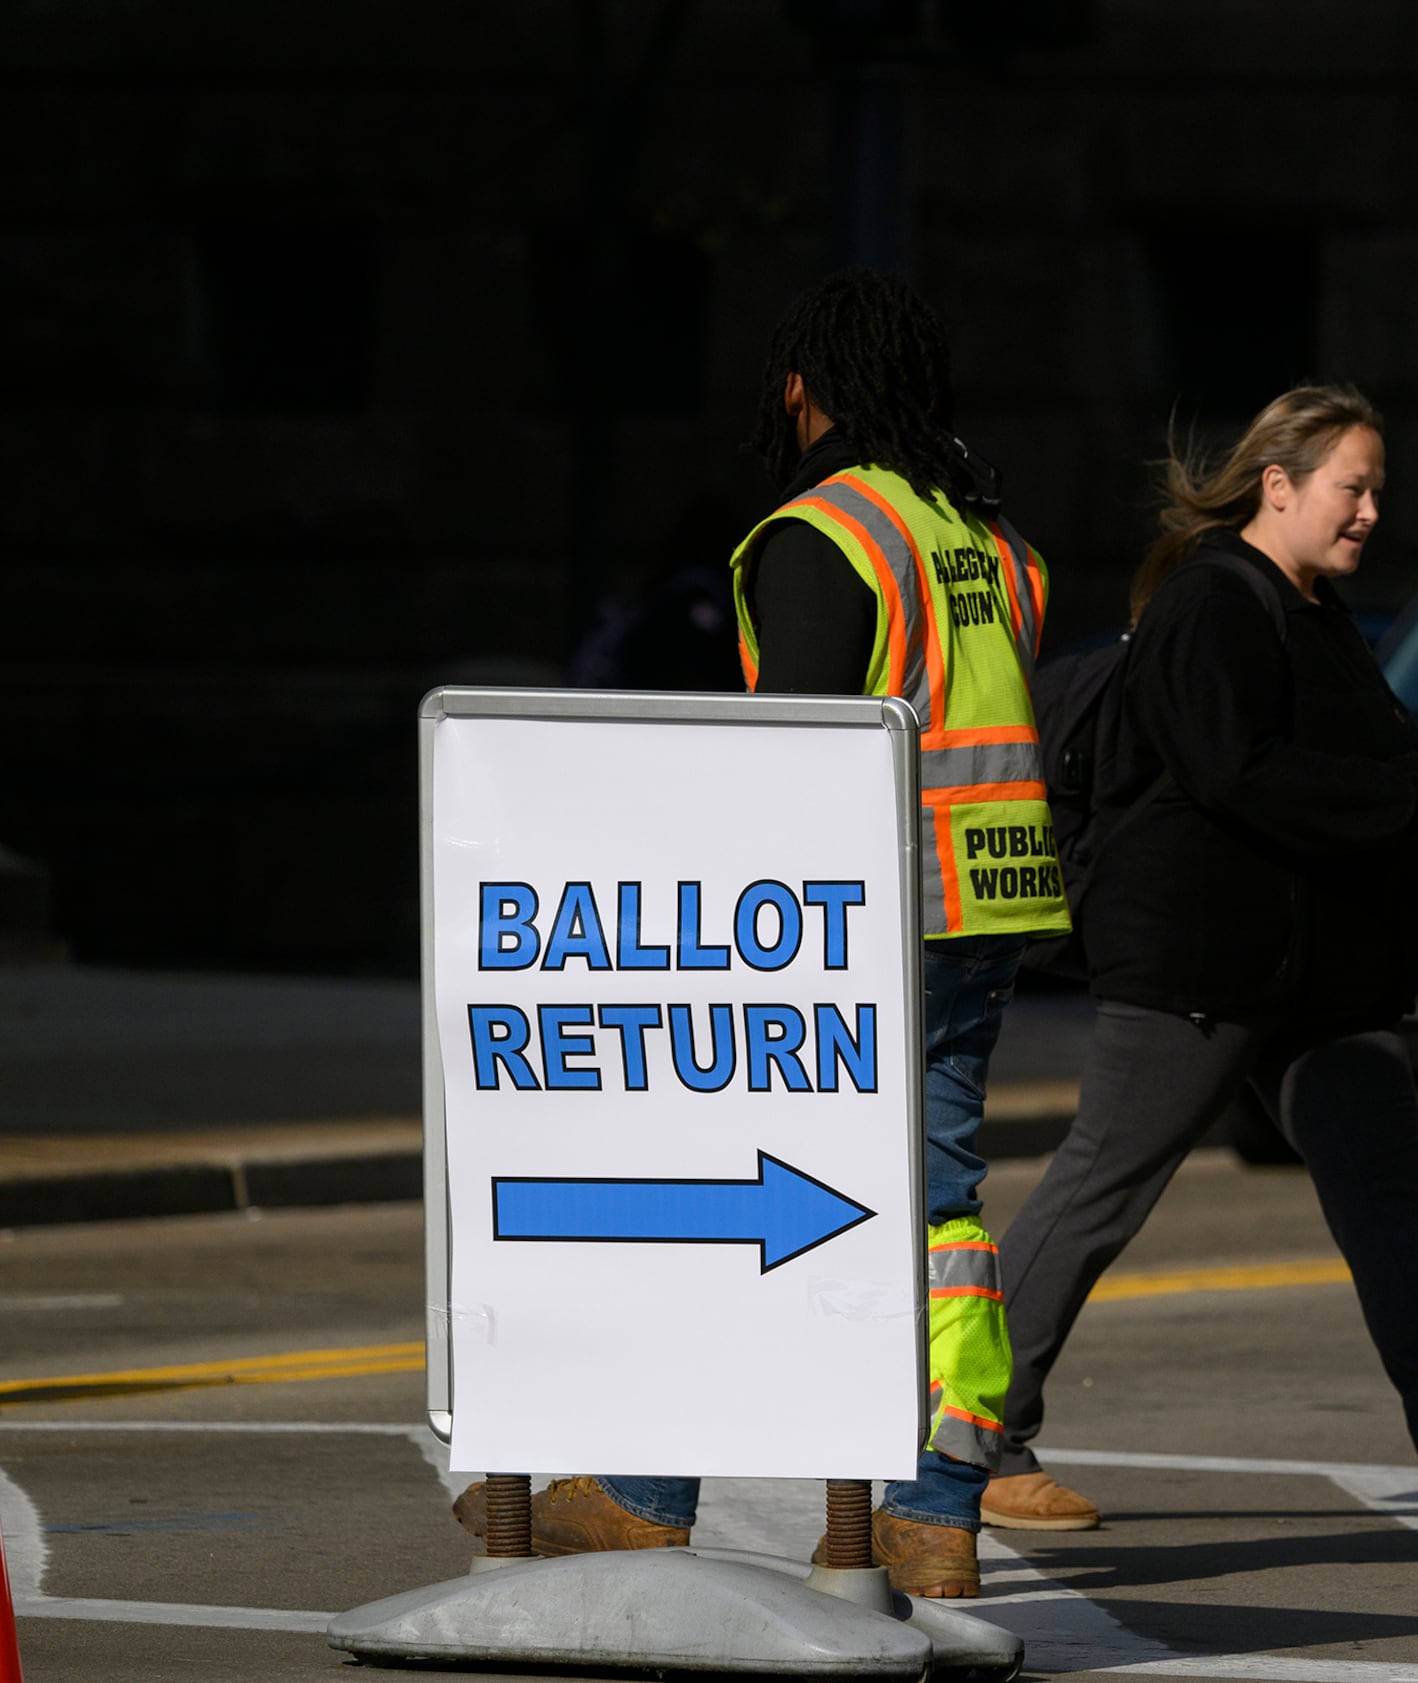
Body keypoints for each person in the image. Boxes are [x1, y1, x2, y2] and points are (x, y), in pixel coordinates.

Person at [452, 268, 1065, 1598]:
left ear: (800, 388)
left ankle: (643, 1490)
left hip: (852, 924)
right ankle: (927, 1504)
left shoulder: (832, 530)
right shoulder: (985, 532)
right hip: (984, 900)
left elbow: (788, 759)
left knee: (724, 1188)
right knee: (935, 1206)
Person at [976, 384, 1418, 1546]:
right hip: (1202, 968)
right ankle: (966, 1442)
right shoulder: (1214, 603)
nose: (1369, 511)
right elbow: (1240, 775)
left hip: (1314, 982)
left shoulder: (1307, 607)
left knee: (1391, 1213)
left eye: (1377, 490)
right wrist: (1414, 792)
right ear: (1277, 485)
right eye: (1350, 487)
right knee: (1098, 1191)